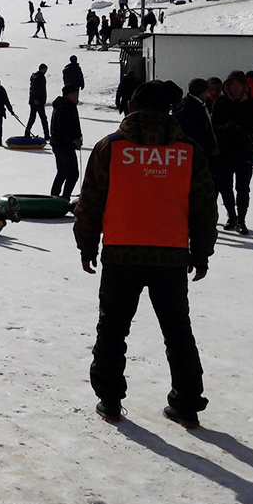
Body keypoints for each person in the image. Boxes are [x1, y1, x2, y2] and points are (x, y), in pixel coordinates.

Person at [74, 80, 218, 428]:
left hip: (121, 253)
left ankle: (110, 400)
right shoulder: (189, 150)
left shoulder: (110, 148)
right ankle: (186, 404)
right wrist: (201, 252)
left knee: (112, 329)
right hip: (170, 256)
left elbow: (91, 202)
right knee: (177, 331)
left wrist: (86, 244)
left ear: (132, 107)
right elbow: (203, 207)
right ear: (169, 109)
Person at [211, 70, 253, 234]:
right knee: (224, 187)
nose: (234, 88)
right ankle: (232, 216)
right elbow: (213, 125)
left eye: (237, 84)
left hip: (244, 151)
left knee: (243, 188)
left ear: (244, 86)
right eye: (231, 84)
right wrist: (225, 129)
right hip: (224, 152)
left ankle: (242, 219)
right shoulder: (220, 102)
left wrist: (246, 132)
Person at [49, 85, 83, 199]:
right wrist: (74, 139)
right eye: (73, 94)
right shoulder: (64, 107)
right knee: (73, 174)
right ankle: (64, 198)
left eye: (77, 94)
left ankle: (54, 196)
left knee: (62, 172)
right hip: (63, 145)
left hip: (60, 144)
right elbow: (63, 128)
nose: (76, 96)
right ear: (67, 95)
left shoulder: (67, 106)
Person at [25, 64, 50, 139]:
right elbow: (35, 89)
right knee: (43, 119)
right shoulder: (39, 77)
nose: (45, 71)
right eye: (45, 69)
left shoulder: (36, 76)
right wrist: (36, 99)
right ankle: (46, 135)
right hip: (38, 101)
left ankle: (27, 133)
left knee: (32, 118)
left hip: (35, 101)